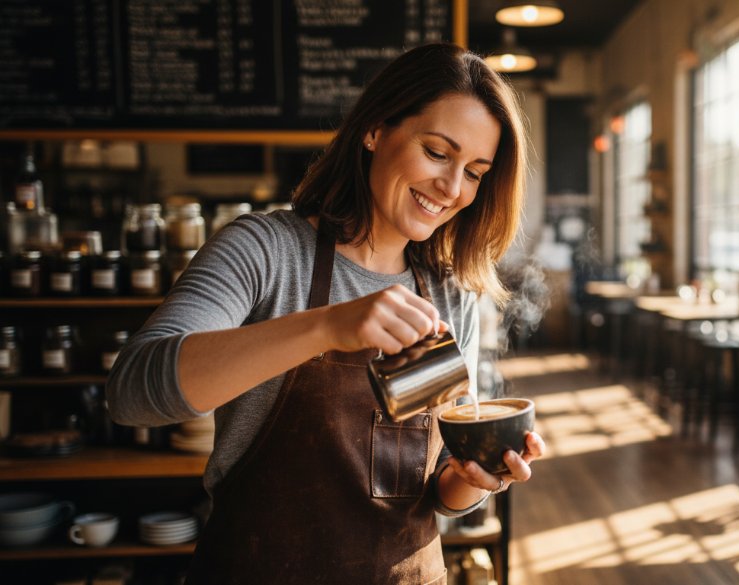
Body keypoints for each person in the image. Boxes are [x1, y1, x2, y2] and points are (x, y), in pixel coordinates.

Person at [107, 43, 545, 585]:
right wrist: (329, 325)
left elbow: (435, 489)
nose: (453, 188)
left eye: (475, 172)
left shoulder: (449, 289)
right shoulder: (265, 251)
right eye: (436, 152)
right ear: (375, 130)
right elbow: (130, 393)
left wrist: (475, 478)